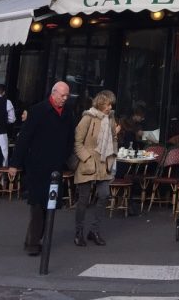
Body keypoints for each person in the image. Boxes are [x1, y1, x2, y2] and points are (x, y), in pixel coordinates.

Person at [9, 81, 75, 256]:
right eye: (62, 95)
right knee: (38, 204)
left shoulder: (67, 113)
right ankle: (33, 243)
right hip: (37, 164)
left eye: (67, 96)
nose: (65, 99)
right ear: (53, 94)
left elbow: (70, 137)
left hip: (55, 165)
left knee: (49, 205)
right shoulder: (38, 110)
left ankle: (36, 238)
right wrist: (15, 164)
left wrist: (65, 156)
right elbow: (25, 137)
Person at [73, 89, 118, 247]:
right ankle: (79, 232)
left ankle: (95, 230)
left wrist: (112, 156)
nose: (110, 107)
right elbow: (77, 142)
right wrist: (86, 158)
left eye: (111, 104)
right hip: (88, 162)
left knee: (104, 195)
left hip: (104, 162)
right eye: (107, 104)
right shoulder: (88, 117)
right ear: (100, 103)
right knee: (83, 199)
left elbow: (113, 138)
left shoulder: (110, 119)